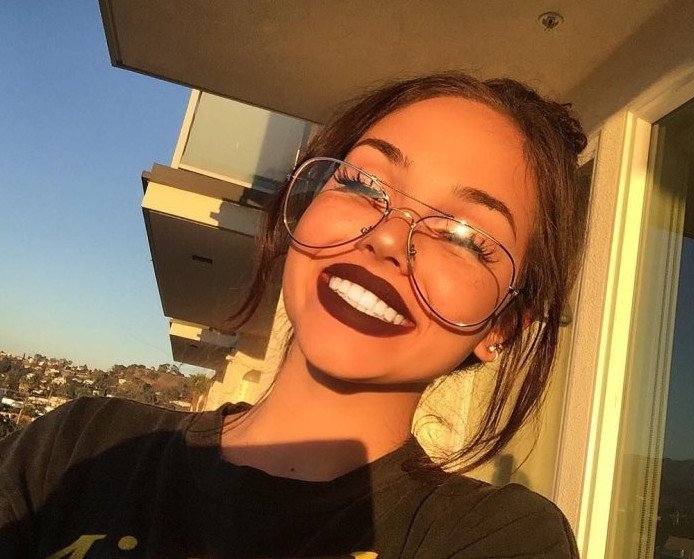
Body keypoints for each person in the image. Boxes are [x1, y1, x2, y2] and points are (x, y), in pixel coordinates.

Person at [0, 73, 588, 558]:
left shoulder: (492, 538)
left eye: (464, 237)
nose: (388, 237)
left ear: (503, 324)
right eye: (363, 182)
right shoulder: (79, 447)